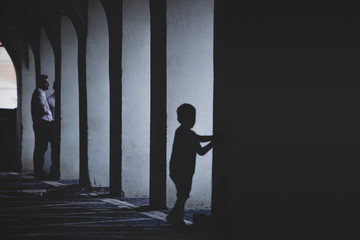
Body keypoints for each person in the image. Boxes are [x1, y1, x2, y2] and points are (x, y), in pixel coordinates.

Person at [166, 103, 214, 226]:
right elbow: (201, 151)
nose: (193, 120)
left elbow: (200, 138)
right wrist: (214, 142)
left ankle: (173, 215)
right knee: (183, 194)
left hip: (176, 169)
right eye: (191, 117)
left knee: (182, 194)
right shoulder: (189, 134)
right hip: (185, 170)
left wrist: (213, 138)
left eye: (194, 117)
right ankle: (178, 219)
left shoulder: (180, 131)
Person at [31, 74, 53, 180]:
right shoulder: (39, 92)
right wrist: (48, 113)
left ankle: (38, 170)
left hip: (41, 123)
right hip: (42, 123)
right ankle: (38, 171)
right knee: (41, 147)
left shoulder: (41, 92)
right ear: (41, 83)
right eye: (46, 82)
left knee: (40, 147)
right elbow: (42, 109)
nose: (48, 83)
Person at [47, 81, 60, 180]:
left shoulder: (50, 99)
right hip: (54, 126)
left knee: (55, 149)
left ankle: (55, 169)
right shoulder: (51, 100)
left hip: (55, 126)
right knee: (55, 149)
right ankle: (55, 169)